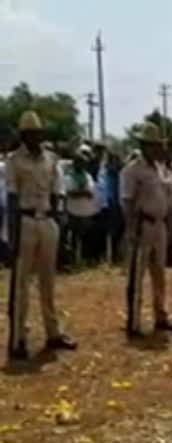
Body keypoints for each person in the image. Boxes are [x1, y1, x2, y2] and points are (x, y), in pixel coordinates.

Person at [6, 111, 75, 361]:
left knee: (49, 282)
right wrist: (11, 236)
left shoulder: (51, 159)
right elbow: (12, 199)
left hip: (47, 220)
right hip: (25, 221)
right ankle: (18, 339)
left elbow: (58, 193)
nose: (34, 137)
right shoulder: (14, 161)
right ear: (23, 136)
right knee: (21, 284)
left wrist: (59, 223)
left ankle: (53, 332)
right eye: (30, 134)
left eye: (37, 133)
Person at [120, 122, 172, 337]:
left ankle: (161, 316)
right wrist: (131, 230)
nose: (156, 149)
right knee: (137, 276)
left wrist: (170, 230)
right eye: (152, 145)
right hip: (142, 225)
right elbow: (127, 203)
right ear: (143, 146)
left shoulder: (162, 169)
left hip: (160, 224)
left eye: (157, 145)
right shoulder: (132, 170)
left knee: (159, 274)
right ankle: (133, 321)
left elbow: (168, 201)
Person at [64, 145, 99, 265]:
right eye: (80, 162)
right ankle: (72, 261)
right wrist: (83, 192)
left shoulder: (87, 176)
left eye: (84, 163)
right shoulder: (69, 176)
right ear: (75, 163)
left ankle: (83, 260)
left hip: (86, 212)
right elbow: (70, 193)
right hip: (73, 211)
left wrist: (83, 192)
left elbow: (92, 192)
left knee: (85, 239)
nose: (82, 165)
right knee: (72, 238)